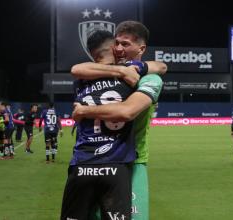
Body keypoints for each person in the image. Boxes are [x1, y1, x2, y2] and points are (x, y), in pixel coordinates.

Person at [70, 21, 166, 220]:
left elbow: (128, 110)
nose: (119, 48)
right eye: (117, 43)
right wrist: (121, 70)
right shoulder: (106, 73)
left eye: (125, 44)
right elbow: (77, 68)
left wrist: (85, 111)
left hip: (133, 161)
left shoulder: (150, 79)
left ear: (141, 48)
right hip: (98, 162)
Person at [61, 30, 141, 220]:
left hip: (82, 165)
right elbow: (160, 67)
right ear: (114, 47)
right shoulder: (129, 75)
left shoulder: (80, 83)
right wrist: (123, 69)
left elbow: (77, 69)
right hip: (116, 167)